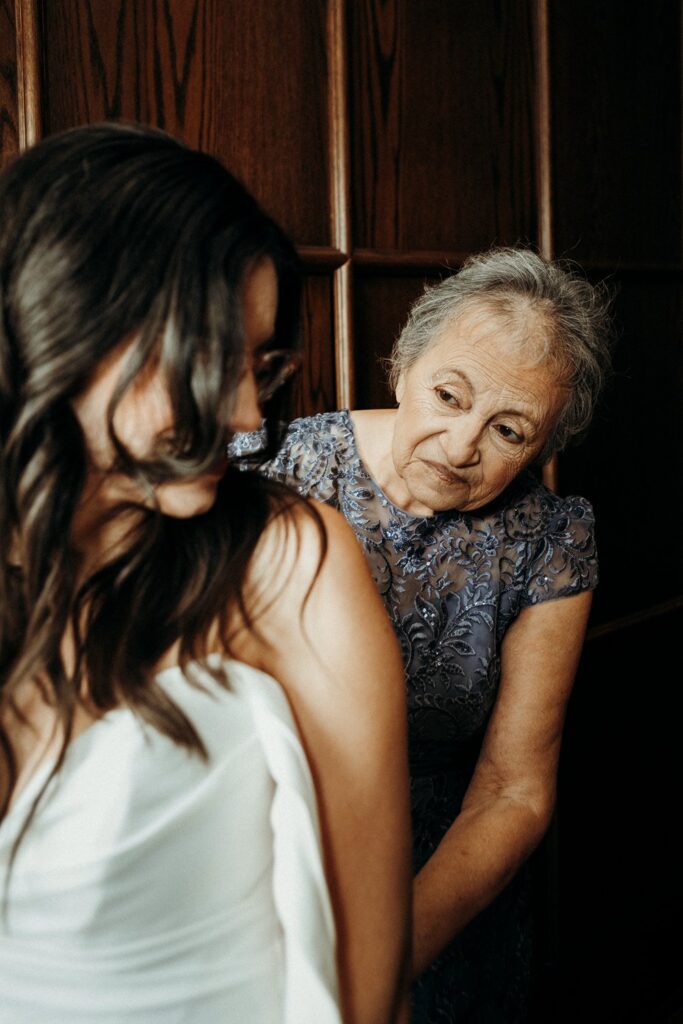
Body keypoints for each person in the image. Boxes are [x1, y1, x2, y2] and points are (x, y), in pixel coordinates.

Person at [0, 122, 412, 1024]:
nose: (244, 415)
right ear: (71, 327)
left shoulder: (290, 564)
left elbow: (370, 990)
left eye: (259, 368)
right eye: (211, 361)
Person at [234, 248, 613, 1022]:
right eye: (447, 395)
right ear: (403, 366)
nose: (461, 442)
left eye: (508, 429)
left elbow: (514, 790)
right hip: (257, 850)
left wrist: (385, 961)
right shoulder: (270, 469)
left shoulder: (549, 540)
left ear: (541, 446)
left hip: (441, 887)